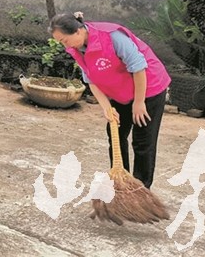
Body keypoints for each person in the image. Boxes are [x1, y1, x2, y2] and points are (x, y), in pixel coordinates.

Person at [49, 12, 171, 189]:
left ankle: (141, 188)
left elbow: (138, 67)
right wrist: (107, 108)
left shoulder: (112, 36)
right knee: (115, 133)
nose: (64, 45)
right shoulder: (77, 48)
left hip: (148, 88)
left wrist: (139, 102)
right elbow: (91, 80)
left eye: (64, 40)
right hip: (121, 91)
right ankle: (121, 181)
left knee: (143, 141)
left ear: (77, 31)